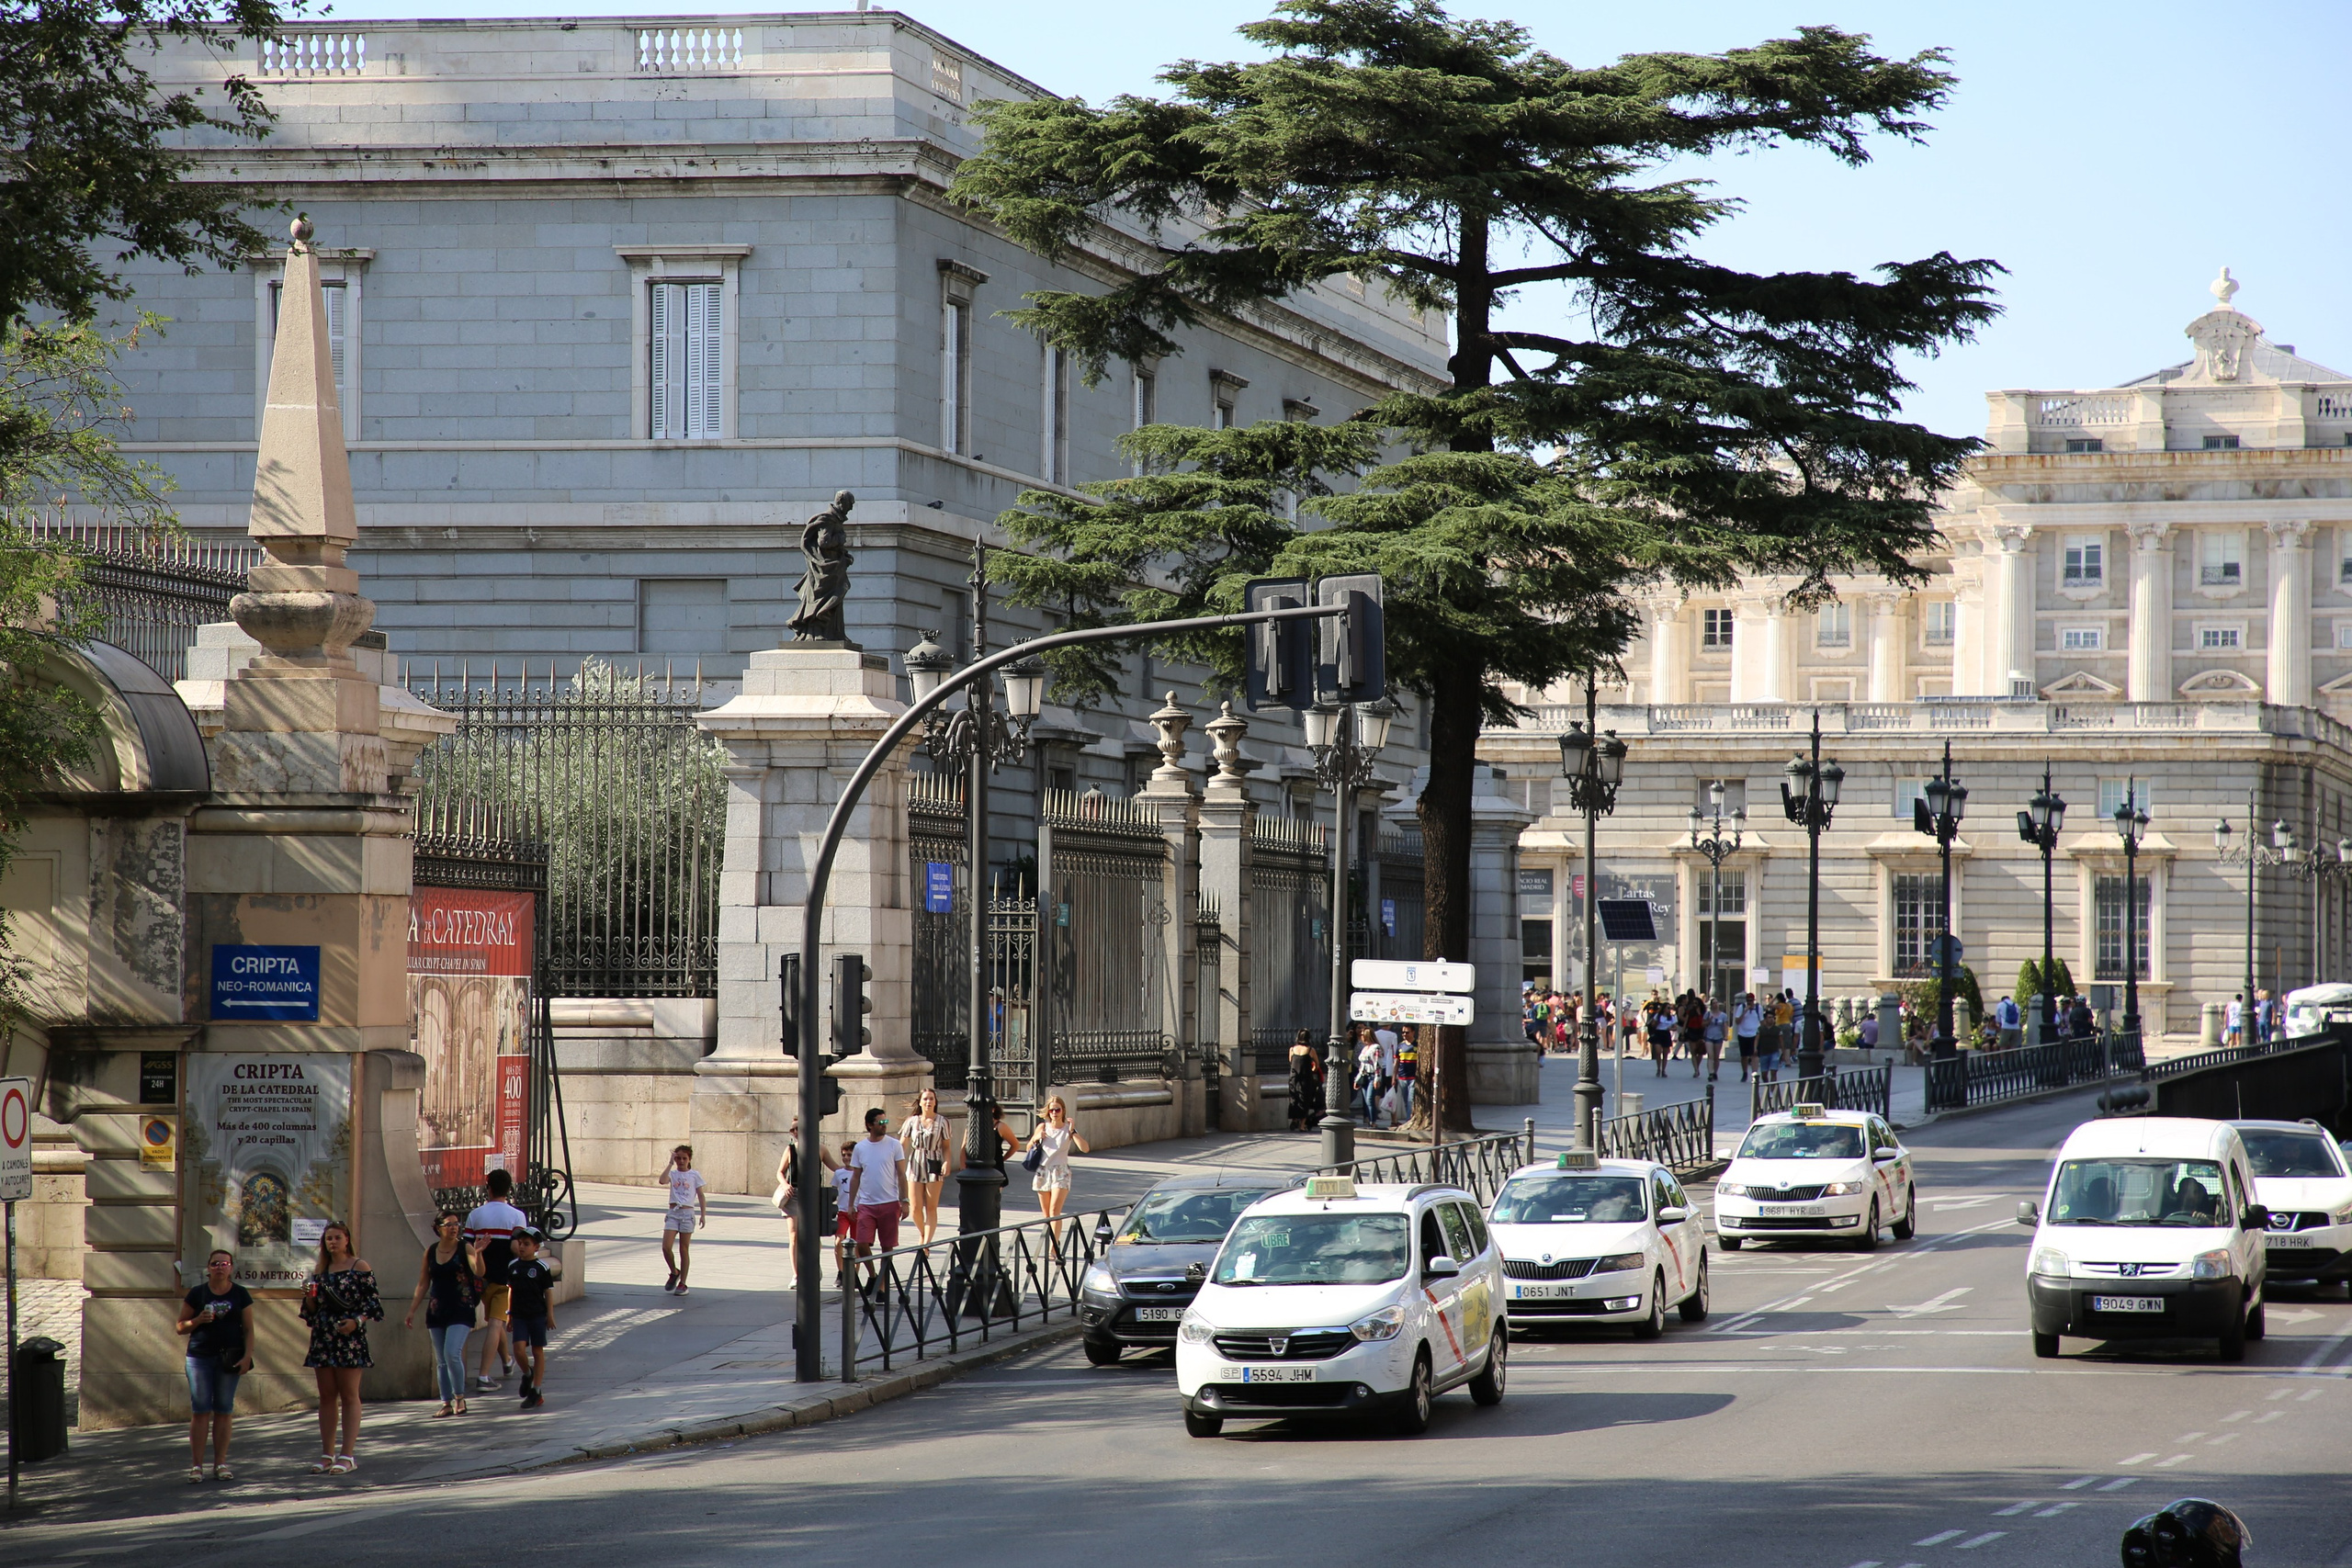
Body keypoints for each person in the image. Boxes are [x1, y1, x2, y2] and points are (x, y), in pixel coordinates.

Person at [300, 1221, 379, 1476]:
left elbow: (372, 1303)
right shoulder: (320, 1271)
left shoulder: (359, 1267)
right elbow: (312, 1311)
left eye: (337, 1237)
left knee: (349, 1394)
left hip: (349, 1338)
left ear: (347, 1240)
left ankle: (347, 1454)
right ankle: (326, 1454)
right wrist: (309, 1297)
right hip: (324, 1336)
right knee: (326, 1395)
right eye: (328, 1238)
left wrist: (356, 1321)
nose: (332, 1242)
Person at [176, 1248, 254, 1483]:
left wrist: (247, 1357)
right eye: (215, 1263)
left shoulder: (240, 1294)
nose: (220, 1267)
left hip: (229, 1358)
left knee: (224, 1409)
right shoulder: (198, 1294)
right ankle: (196, 1466)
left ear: (231, 1268)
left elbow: (249, 1329)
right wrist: (197, 1320)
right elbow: (180, 1326)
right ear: (208, 1269)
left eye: (224, 1263)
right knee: (200, 1410)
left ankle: (220, 1463)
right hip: (200, 1357)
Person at [401, 1211, 484, 1418]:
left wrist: (479, 1253)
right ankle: (445, 1402)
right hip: (437, 1311)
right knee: (441, 1360)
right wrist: (412, 1310)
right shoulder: (430, 1252)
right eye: (449, 1224)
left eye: (457, 1224)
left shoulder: (466, 1247)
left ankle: (459, 1397)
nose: (454, 1228)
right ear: (438, 1228)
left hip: (461, 1308)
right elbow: (423, 1283)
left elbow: (478, 1271)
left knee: (451, 1353)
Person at [464, 1167, 527, 1393]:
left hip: (481, 1279)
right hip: (505, 1281)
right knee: (495, 1324)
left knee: (495, 1320)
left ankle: (508, 1362)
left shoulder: (475, 1215)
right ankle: (483, 1376)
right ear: (509, 1189)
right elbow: (519, 1247)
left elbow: (467, 1247)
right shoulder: (517, 1216)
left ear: (487, 1188)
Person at [845, 1106, 910, 1280]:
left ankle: (881, 1284)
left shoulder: (894, 1145)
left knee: (887, 1247)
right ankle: (873, 1275)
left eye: (885, 1121)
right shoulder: (860, 1148)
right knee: (862, 1243)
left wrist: (905, 1201)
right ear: (869, 1125)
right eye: (880, 1122)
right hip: (867, 1204)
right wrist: (851, 1204)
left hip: (890, 1203)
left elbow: (902, 1175)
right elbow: (855, 1177)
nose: (884, 1125)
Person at [506, 1226, 560, 1409]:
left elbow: (548, 1292)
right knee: (518, 1349)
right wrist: (509, 1314)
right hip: (519, 1315)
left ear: (536, 1247)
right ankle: (527, 1373)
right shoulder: (513, 1266)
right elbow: (510, 1291)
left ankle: (536, 1391)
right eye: (520, 1243)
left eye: (526, 1244)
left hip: (537, 1315)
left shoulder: (542, 1268)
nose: (522, 1247)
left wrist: (550, 1315)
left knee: (537, 1351)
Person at [1027, 1094, 1091, 1240]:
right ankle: (1052, 1240)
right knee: (1047, 1215)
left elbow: (1085, 1148)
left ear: (1063, 1110)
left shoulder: (1068, 1128)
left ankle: (1054, 1247)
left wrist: (1073, 1131)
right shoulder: (1042, 1127)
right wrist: (1037, 1138)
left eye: (1057, 1110)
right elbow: (1029, 1147)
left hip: (1061, 1171)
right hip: (1042, 1171)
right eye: (1051, 1110)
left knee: (1055, 1211)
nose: (1054, 1113)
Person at [901, 1088, 952, 1246]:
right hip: (915, 1162)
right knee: (915, 1208)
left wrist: (947, 1161)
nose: (928, 1102)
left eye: (931, 1099)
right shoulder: (911, 1121)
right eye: (925, 1099)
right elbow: (902, 1144)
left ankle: (926, 1244)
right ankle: (923, 1233)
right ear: (920, 1102)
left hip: (934, 1162)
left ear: (935, 1102)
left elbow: (946, 1146)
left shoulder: (942, 1122)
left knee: (931, 1207)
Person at [658, 1144, 708, 1295]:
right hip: (673, 1213)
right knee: (666, 1247)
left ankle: (683, 1283)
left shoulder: (694, 1175)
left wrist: (703, 1214)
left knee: (683, 1249)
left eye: (684, 1158)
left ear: (689, 1159)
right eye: (678, 1158)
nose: (681, 1161)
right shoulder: (673, 1174)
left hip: (687, 1214)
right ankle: (674, 1271)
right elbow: (662, 1180)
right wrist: (670, 1163)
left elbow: (700, 1195)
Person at [1285, 1029, 1321, 1132]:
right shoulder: (1310, 1050)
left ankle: (1294, 1119)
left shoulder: (1292, 1049)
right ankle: (1302, 1125)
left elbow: (1290, 1061)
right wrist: (1312, 1069)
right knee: (1305, 1099)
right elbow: (1317, 1064)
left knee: (1294, 1098)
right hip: (1306, 1077)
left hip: (1294, 1077)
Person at [1733, 992, 1761, 1083]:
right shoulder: (1741, 1008)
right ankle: (1745, 1073)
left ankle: (1754, 1073)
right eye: (1748, 1001)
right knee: (1744, 1056)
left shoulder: (1758, 1008)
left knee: (1754, 1054)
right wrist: (1745, 1011)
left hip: (1754, 1034)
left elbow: (1762, 1020)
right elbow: (1737, 1021)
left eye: (1751, 1001)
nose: (1749, 1002)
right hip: (1743, 1034)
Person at [1394, 1026, 1420, 1121]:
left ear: (1413, 1032)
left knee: (1411, 1100)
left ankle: (1408, 1120)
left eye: (1407, 1032)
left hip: (1413, 1077)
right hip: (1402, 1077)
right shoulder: (1400, 1046)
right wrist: (1394, 1077)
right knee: (1406, 1100)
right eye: (1403, 1032)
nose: (1404, 1034)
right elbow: (1396, 1062)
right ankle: (1410, 1117)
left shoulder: (1418, 1044)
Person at [1702, 998, 1727, 1083]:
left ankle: (1715, 1072)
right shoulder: (1708, 1014)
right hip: (1709, 1036)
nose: (1715, 1005)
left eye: (1717, 1003)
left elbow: (1725, 1026)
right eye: (1714, 1003)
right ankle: (1710, 1073)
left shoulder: (1723, 1015)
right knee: (1710, 1055)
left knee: (1716, 1057)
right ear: (1711, 1005)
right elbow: (1703, 1024)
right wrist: (1709, 1021)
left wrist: (1726, 1035)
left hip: (1718, 1037)